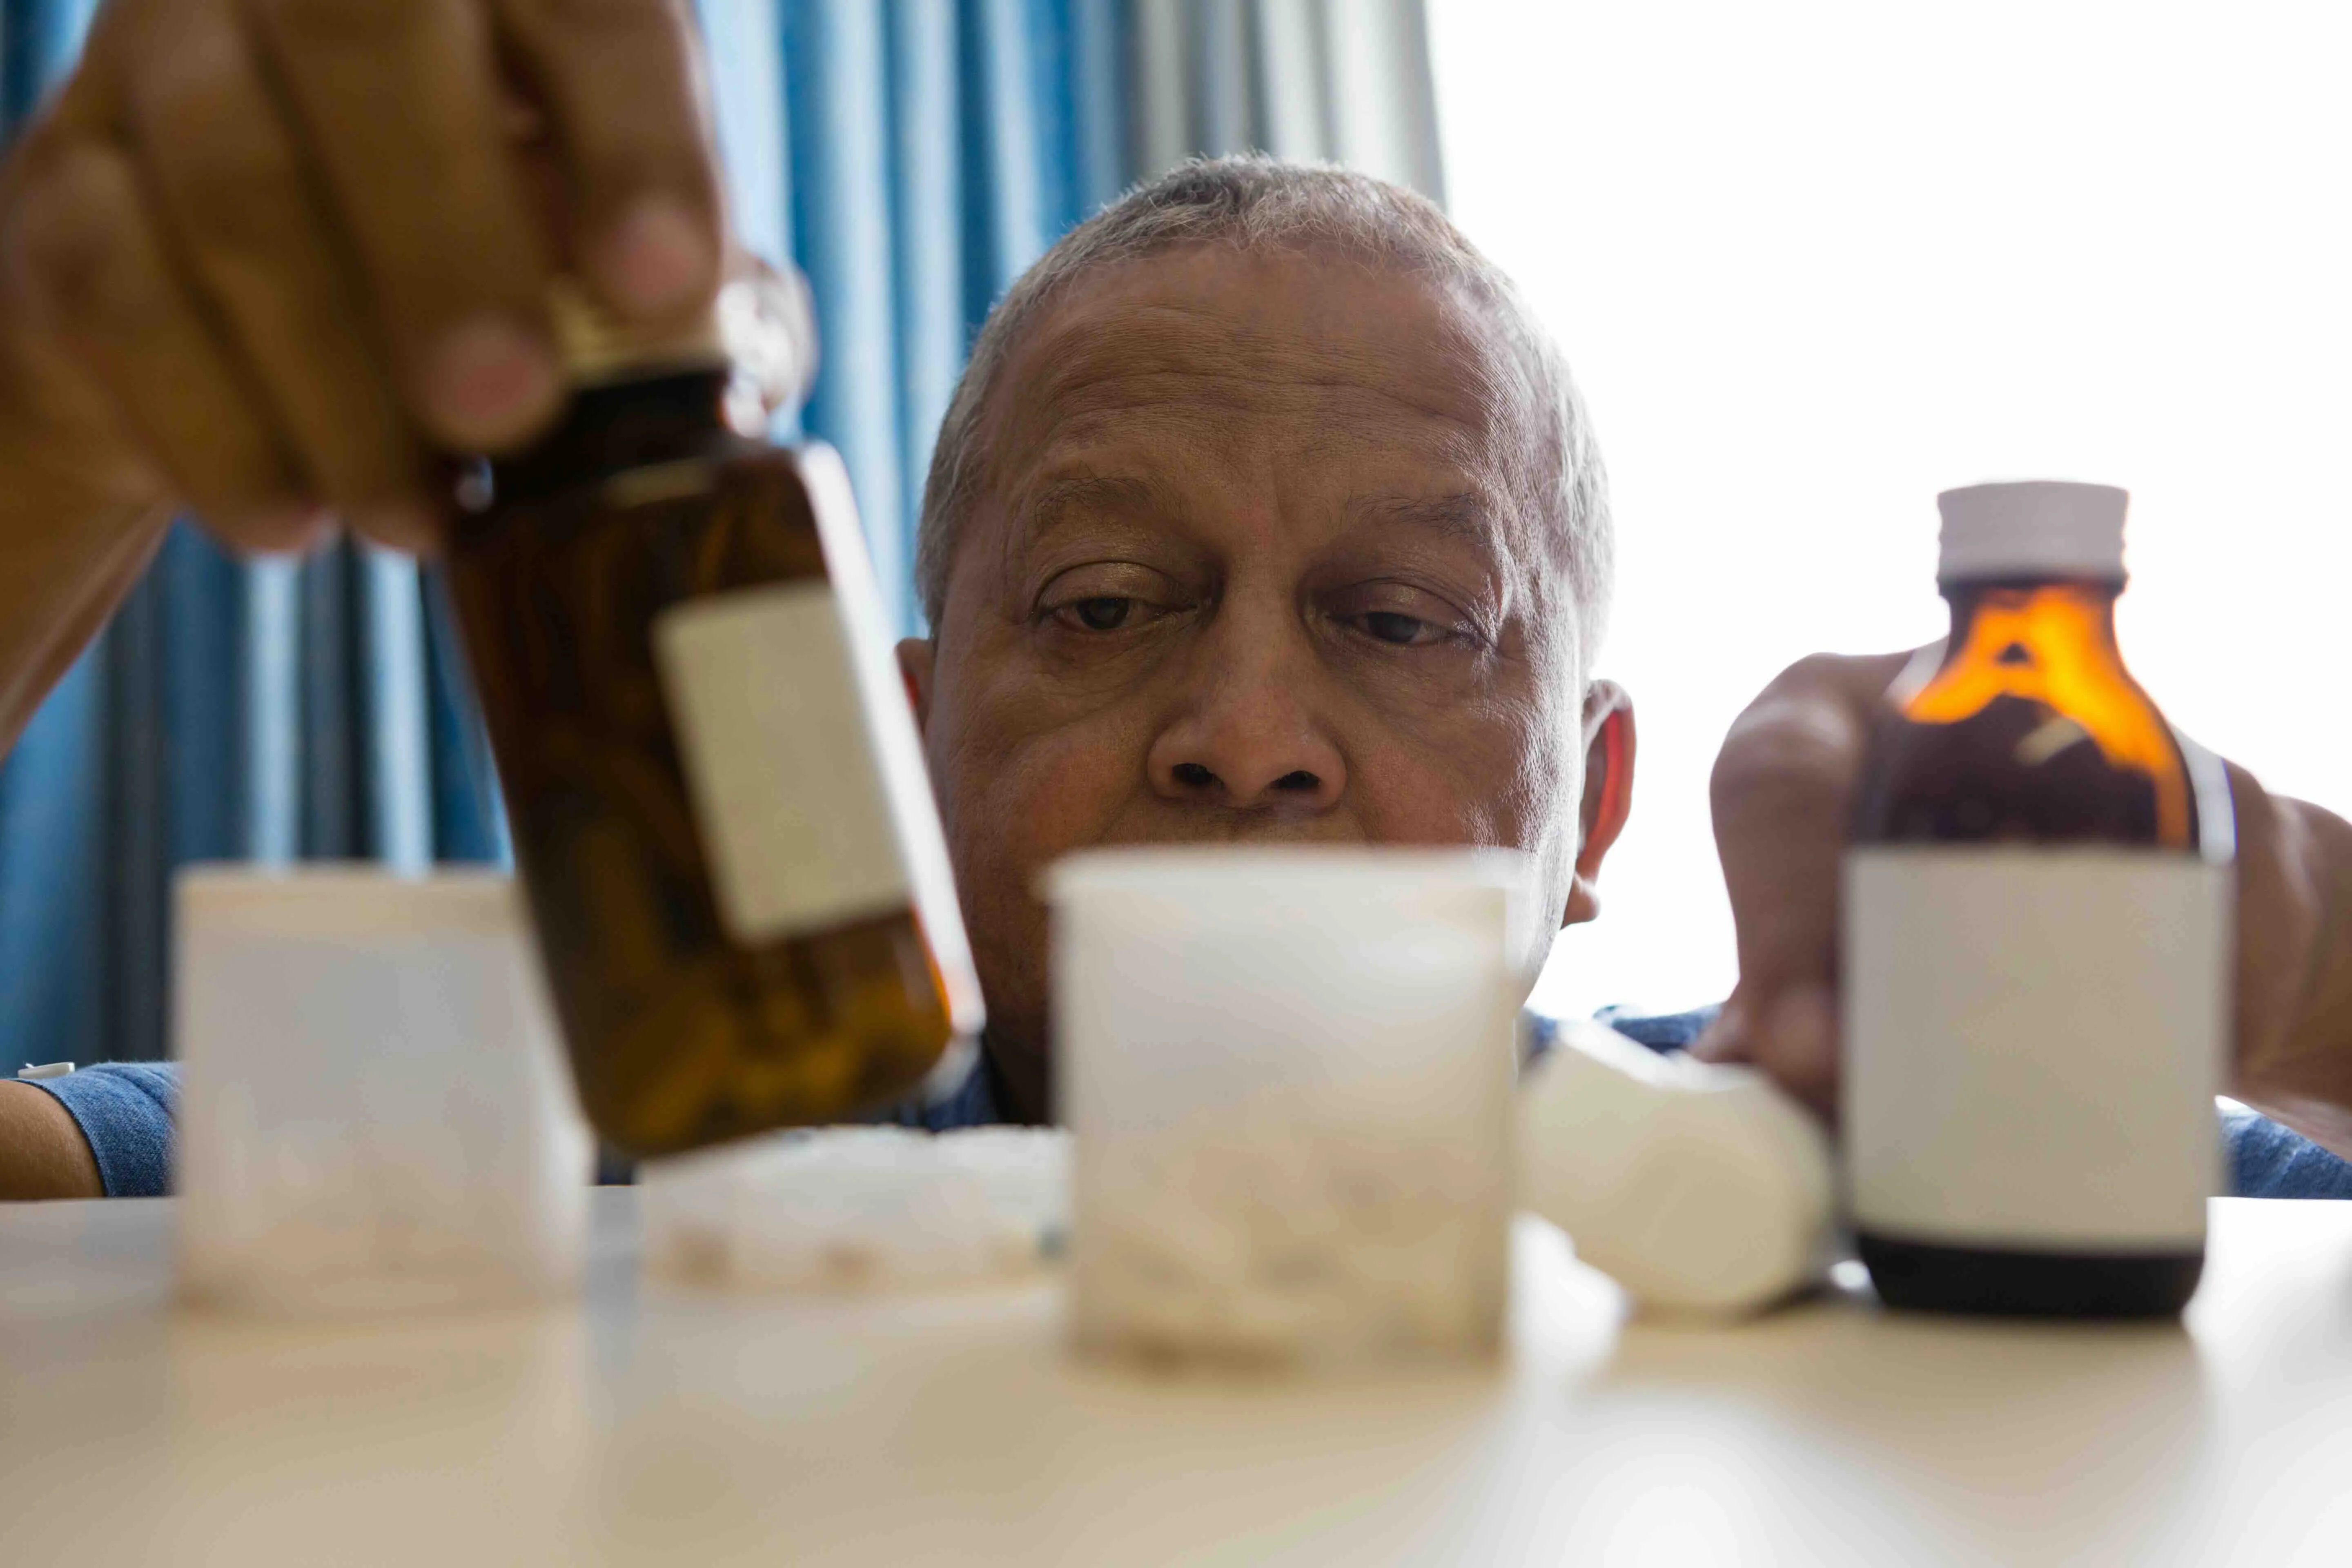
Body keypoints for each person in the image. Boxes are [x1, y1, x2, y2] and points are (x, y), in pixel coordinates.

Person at [0, 0, 2346, 1204]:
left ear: (1593, 801)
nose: (1246, 730)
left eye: (1406, 623)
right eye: (1109, 603)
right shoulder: (600, 1161)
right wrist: (50, 436)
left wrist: (2281, 953)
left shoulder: (1865, 1150)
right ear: (901, 749)